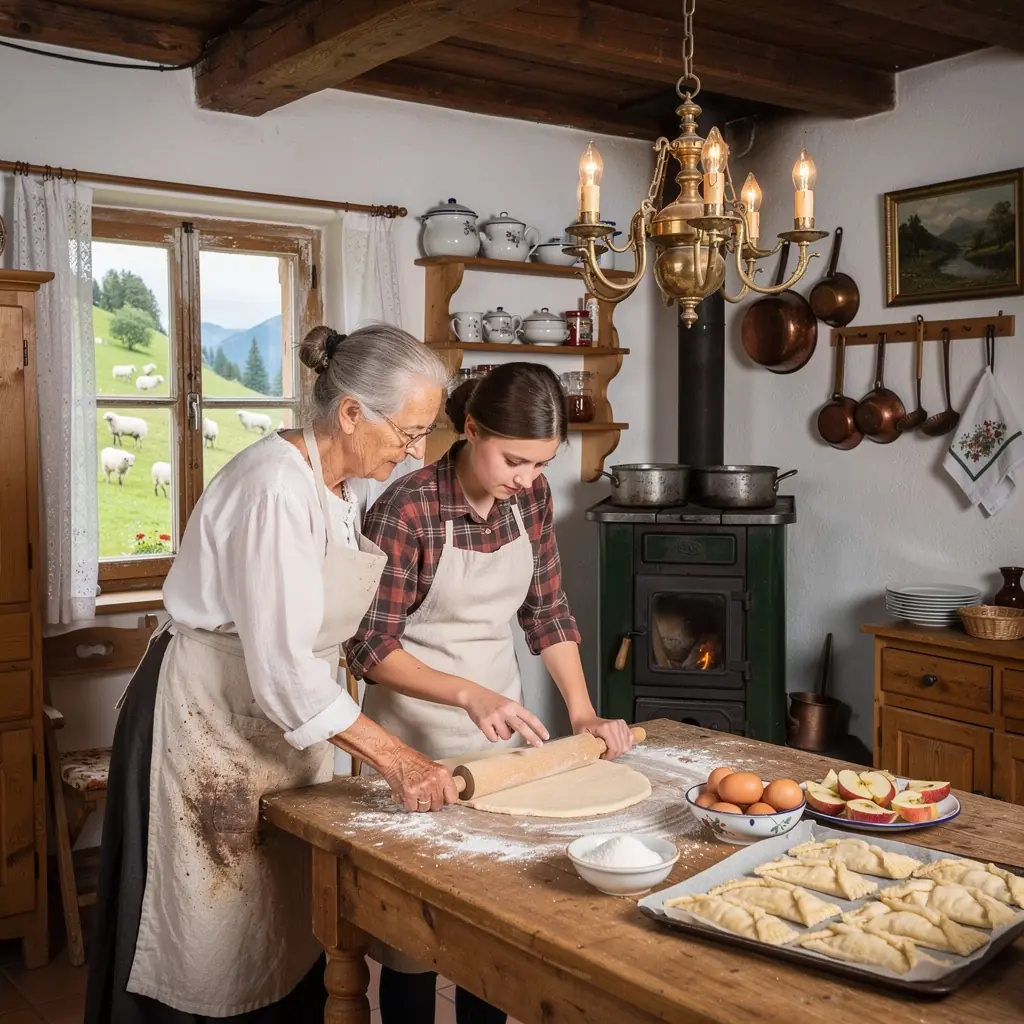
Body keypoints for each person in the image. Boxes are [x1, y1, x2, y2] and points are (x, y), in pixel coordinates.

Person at [85, 324, 460, 1024]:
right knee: (203, 931)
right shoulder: (274, 489)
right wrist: (399, 760)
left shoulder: (339, 488)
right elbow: (284, 669)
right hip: (204, 723)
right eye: (408, 433)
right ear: (350, 412)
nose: (416, 452)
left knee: (277, 925)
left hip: (273, 732)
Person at [345, 362, 635, 1024]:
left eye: (541, 464)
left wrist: (583, 712)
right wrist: (469, 695)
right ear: (471, 429)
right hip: (410, 742)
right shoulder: (407, 507)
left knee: (492, 925)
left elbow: (548, 611)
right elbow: (369, 648)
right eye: (515, 459)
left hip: (500, 747)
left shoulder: (529, 499)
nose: (528, 479)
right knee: (411, 938)